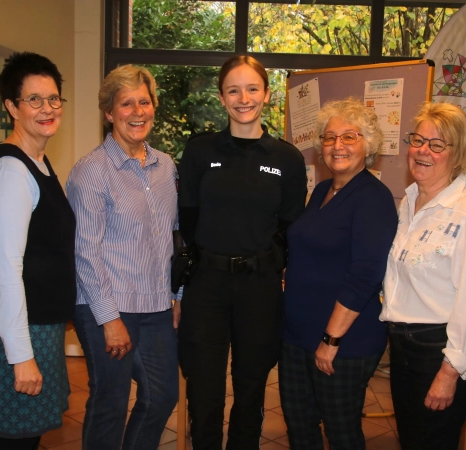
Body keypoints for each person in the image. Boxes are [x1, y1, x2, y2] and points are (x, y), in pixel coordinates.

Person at [177, 55, 308, 449]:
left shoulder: (286, 158)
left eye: (252, 88)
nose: (243, 97)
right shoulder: (200, 151)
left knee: (251, 390)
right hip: (207, 286)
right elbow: (188, 219)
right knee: (204, 391)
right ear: (222, 98)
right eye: (233, 90)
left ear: (267, 94)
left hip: (260, 288)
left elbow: (290, 225)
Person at [67, 65, 179, 450]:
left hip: (156, 305)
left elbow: (173, 238)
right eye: (125, 103)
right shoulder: (92, 172)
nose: (137, 111)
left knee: (163, 396)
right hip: (107, 306)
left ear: (154, 107)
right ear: (109, 113)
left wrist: (176, 295)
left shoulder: (166, 166)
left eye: (144, 102)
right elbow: (86, 250)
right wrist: (109, 318)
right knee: (110, 402)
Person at [0, 52, 76, 450]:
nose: (47, 109)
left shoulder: (38, 162)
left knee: (27, 436)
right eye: (34, 100)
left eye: (53, 99)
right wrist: (21, 356)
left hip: (35, 324)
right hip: (15, 329)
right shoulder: (12, 171)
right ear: (12, 107)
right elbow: (5, 270)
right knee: (16, 438)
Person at [279, 97, 397, 449]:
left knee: (341, 433)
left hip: (342, 342)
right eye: (330, 138)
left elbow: (365, 274)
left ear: (369, 145)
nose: (337, 146)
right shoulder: (321, 192)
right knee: (300, 429)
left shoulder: (373, 198)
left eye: (350, 137)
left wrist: (331, 341)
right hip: (298, 335)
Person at [380, 102, 466, 449]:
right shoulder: (409, 201)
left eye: (436, 144)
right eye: (417, 140)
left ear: (456, 154)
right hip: (401, 348)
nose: (422, 151)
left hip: (438, 353)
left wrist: (450, 371)